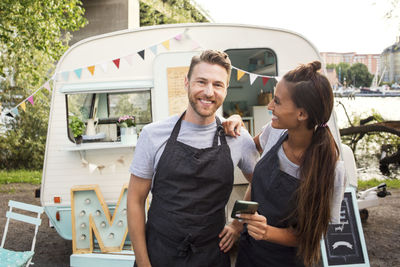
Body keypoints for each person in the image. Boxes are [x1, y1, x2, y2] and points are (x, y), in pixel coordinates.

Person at [127, 50, 259, 267]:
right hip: (160, 254)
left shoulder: (237, 137)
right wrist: (143, 263)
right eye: (201, 82)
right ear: (186, 83)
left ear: (226, 90)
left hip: (212, 256)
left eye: (218, 85)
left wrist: (237, 224)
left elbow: (261, 182)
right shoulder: (153, 135)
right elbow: (135, 201)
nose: (208, 92)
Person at [223, 61, 346, 267]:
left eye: (277, 102)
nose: (270, 106)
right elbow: (256, 180)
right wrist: (236, 224)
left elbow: (311, 235)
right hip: (249, 252)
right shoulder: (275, 132)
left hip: (288, 261)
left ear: (301, 114)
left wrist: (267, 232)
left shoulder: (332, 169)